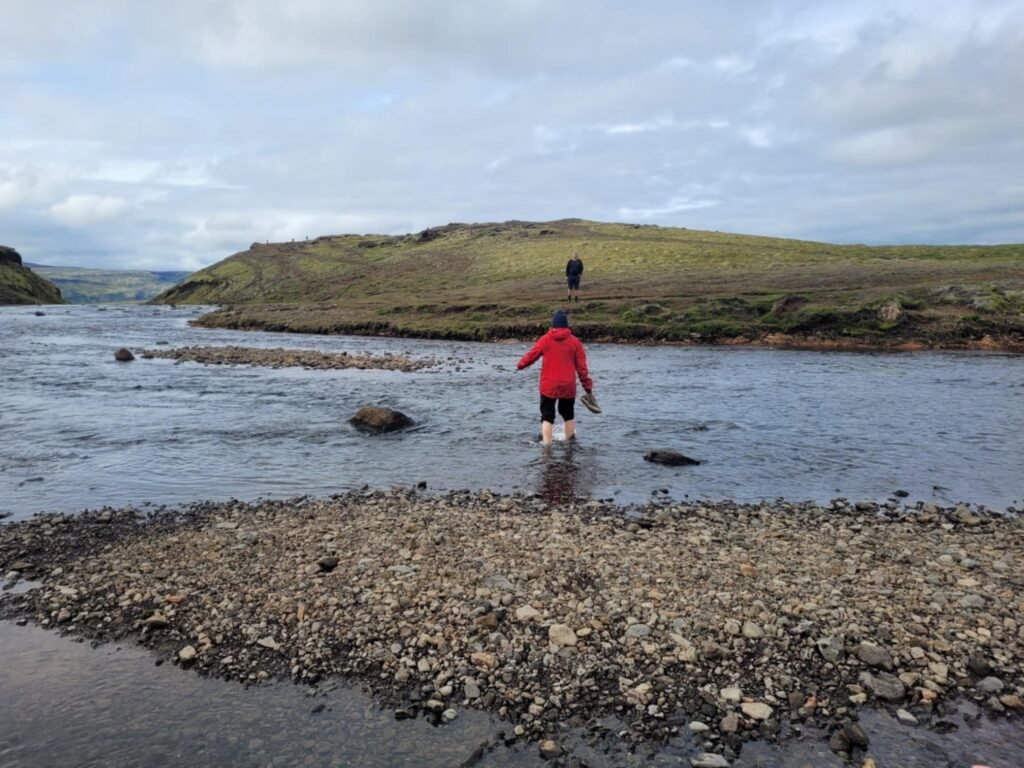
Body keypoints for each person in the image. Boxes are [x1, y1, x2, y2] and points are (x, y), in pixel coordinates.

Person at [517, 309, 594, 445]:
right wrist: (587, 388)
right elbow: (582, 369)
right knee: (568, 414)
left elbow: (532, 355)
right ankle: (569, 444)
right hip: (568, 385)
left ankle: (546, 447)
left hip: (549, 385)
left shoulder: (545, 339)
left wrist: (520, 365)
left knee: (547, 416)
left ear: (552, 325)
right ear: (566, 326)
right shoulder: (575, 342)